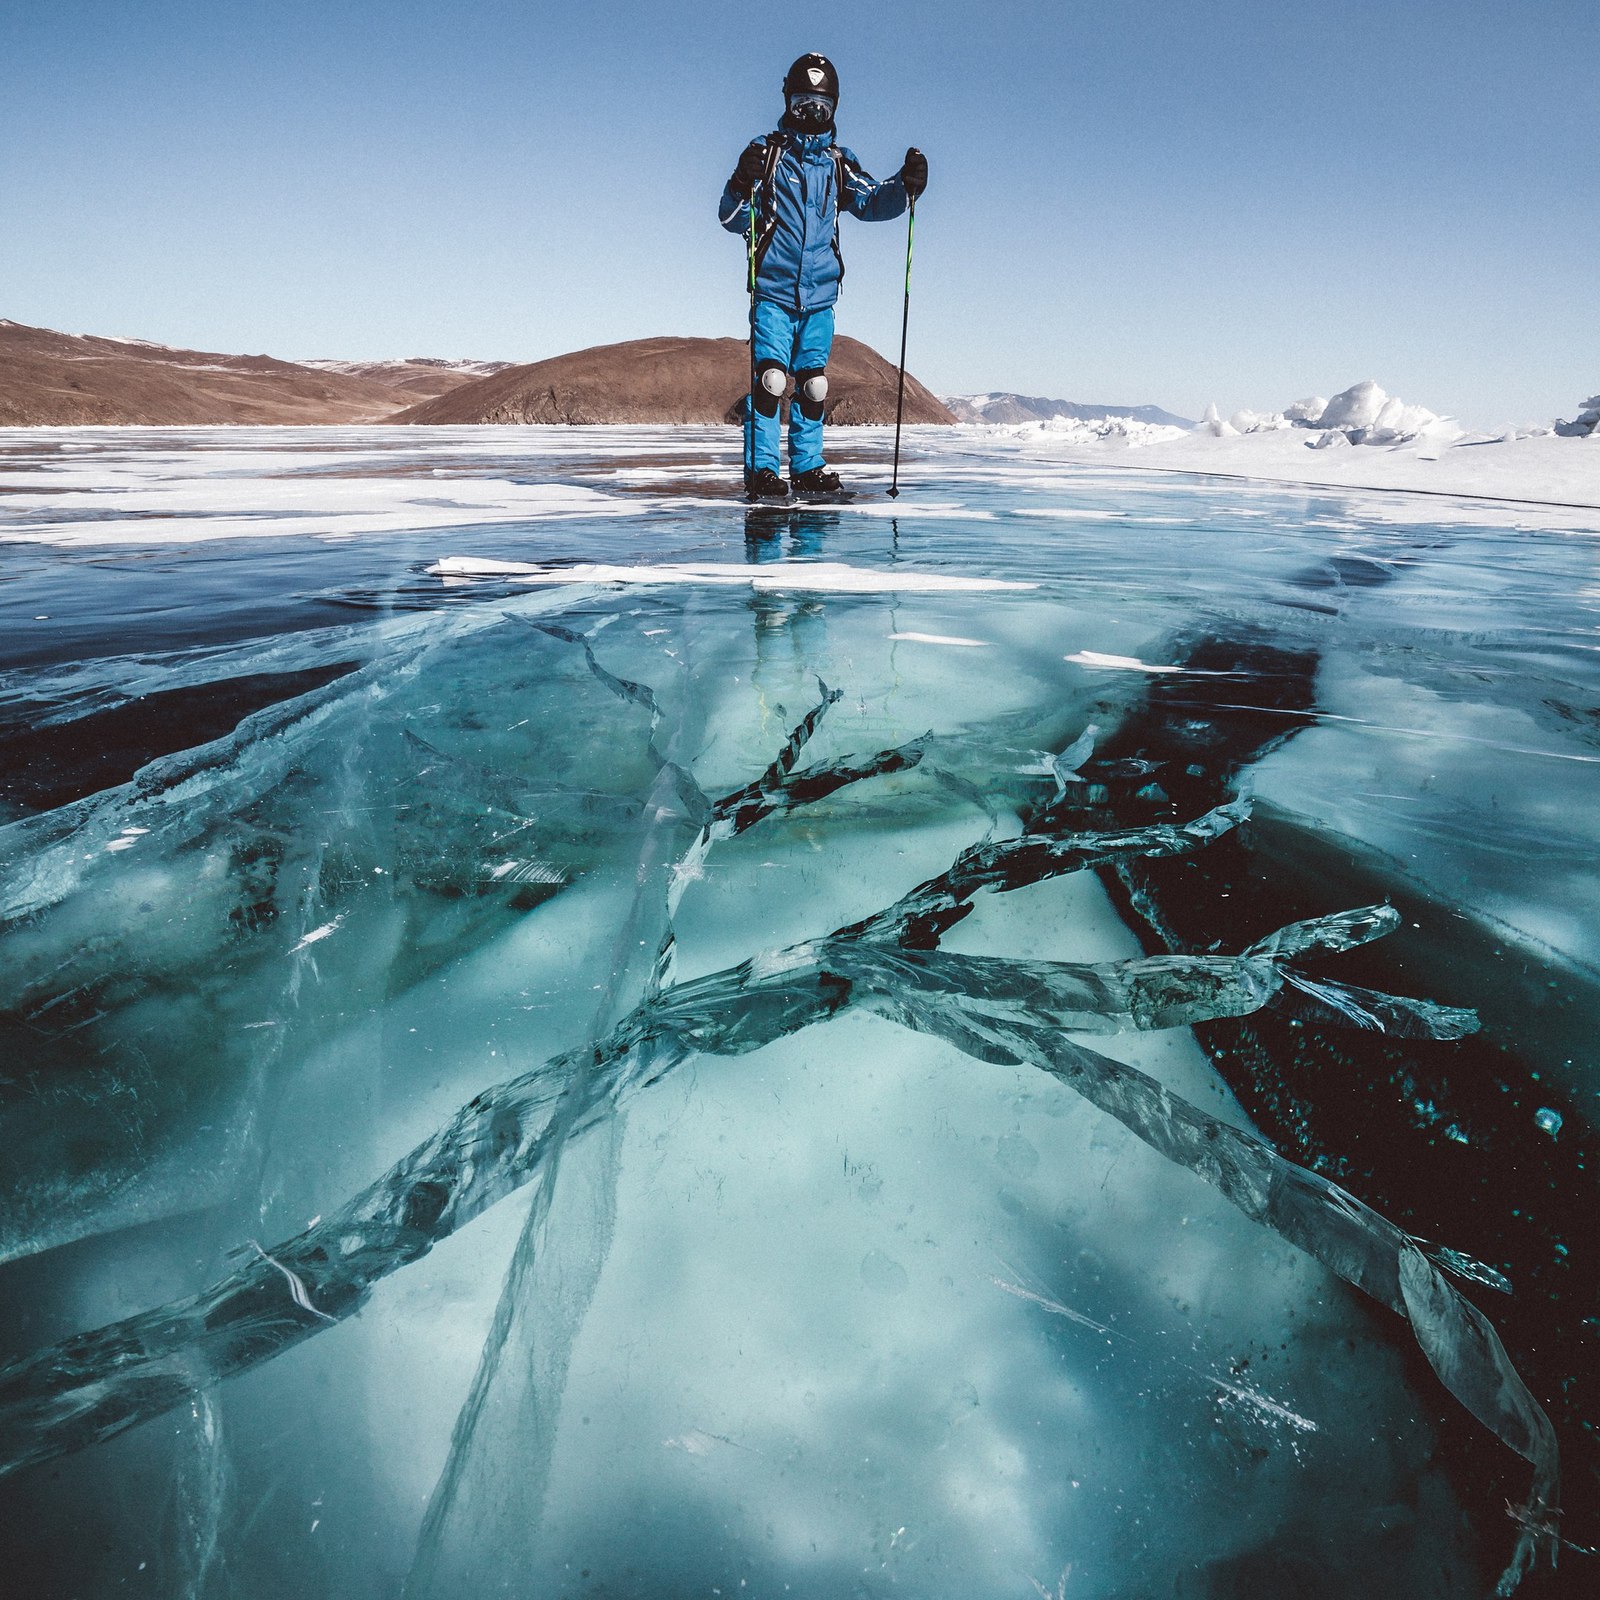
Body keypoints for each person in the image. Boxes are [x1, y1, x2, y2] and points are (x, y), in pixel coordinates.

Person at [719, 53, 928, 501]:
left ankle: (808, 467)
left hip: (820, 298)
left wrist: (905, 185)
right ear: (787, 103)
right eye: (802, 105)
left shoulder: (838, 164)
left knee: (814, 385)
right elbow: (732, 218)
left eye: (821, 107)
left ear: (834, 107)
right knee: (771, 380)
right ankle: (762, 471)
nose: (812, 115)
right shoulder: (767, 156)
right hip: (773, 294)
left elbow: (873, 201)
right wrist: (740, 181)